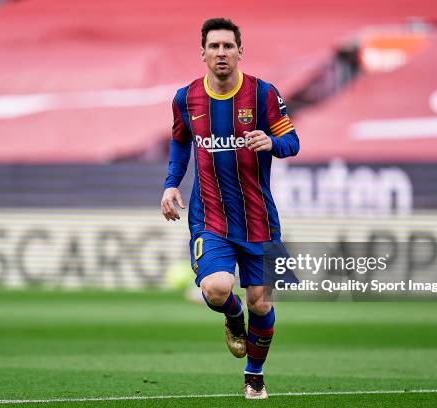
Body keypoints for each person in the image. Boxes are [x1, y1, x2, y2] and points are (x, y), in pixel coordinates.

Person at [160, 17, 299, 400]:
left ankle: (254, 375)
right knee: (218, 288)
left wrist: (271, 142)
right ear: (202, 53)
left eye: (228, 46)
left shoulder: (263, 94)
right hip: (211, 218)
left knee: (263, 301)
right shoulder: (185, 98)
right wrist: (171, 184)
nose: (221, 53)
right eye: (214, 46)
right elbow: (179, 143)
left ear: (240, 50)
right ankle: (232, 318)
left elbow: (293, 142)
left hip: (260, 221)